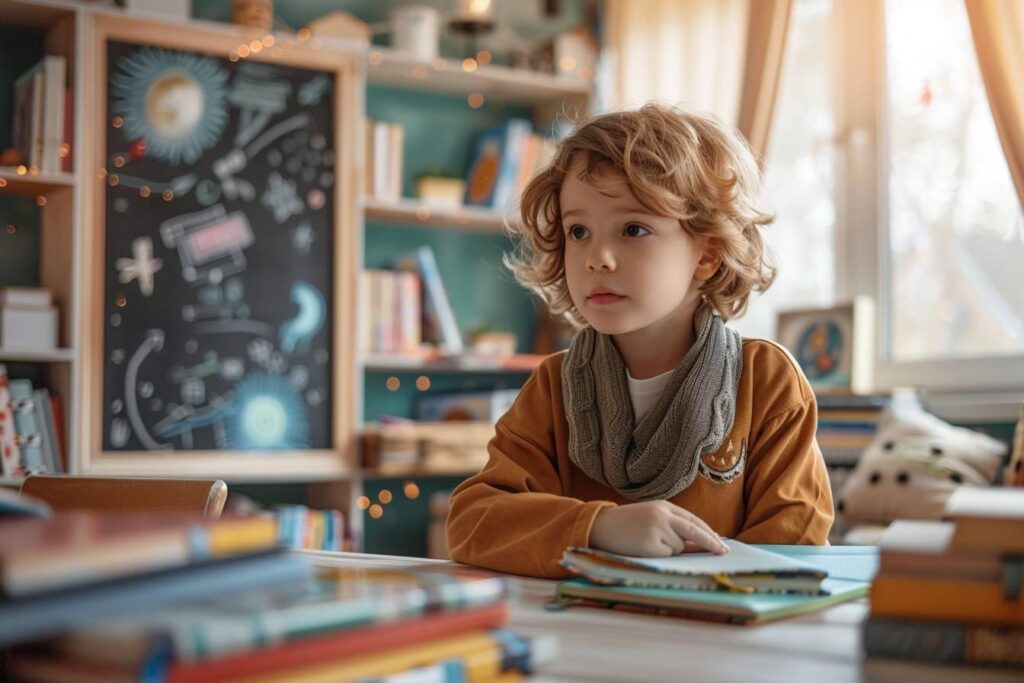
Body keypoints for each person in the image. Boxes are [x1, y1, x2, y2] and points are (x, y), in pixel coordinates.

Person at [446, 103, 833, 579]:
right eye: (578, 231)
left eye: (633, 229)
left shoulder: (767, 382)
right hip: (586, 636)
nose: (597, 258)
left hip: (717, 641)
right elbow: (473, 524)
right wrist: (600, 527)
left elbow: (794, 554)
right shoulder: (553, 386)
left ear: (707, 254)